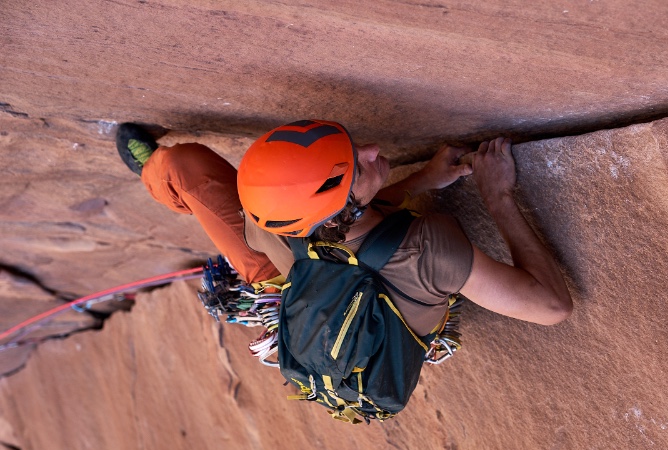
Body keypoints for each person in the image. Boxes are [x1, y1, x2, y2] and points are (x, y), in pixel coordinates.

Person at [117, 120, 572, 339]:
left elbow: (351, 220)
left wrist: (424, 180)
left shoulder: (267, 216)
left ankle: (162, 175)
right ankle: (159, 178)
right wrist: (497, 196)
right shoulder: (431, 249)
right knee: (181, 170)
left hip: (296, 277)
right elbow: (551, 307)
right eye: (361, 161)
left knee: (181, 166)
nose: (374, 149)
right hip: (307, 292)